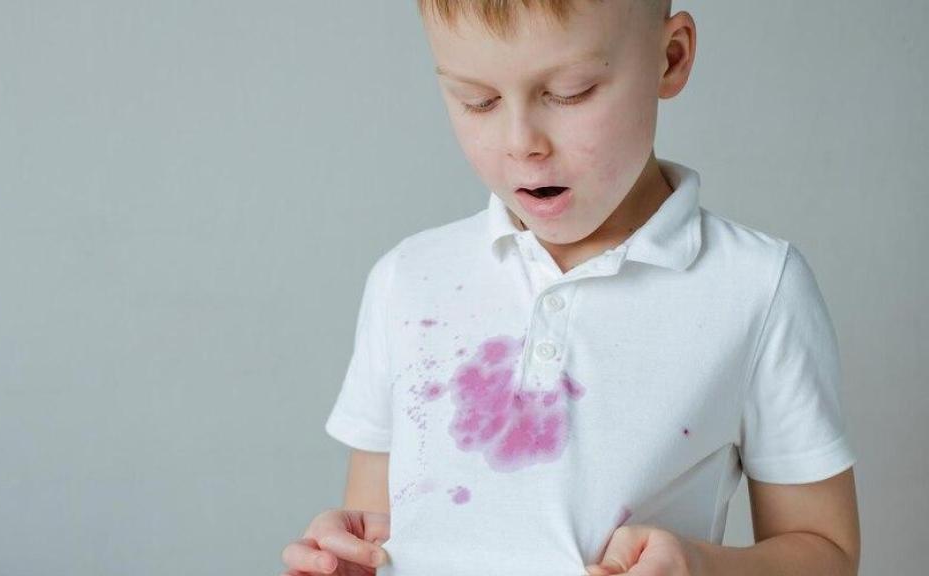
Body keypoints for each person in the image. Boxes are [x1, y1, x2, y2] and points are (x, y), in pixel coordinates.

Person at [280, 1, 861, 575]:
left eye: (570, 92)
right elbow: (375, 523)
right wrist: (344, 555)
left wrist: (702, 568)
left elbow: (825, 550)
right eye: (476, 100)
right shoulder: (408, 279)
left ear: (671, 58)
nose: (521, 141)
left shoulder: (756, 286)